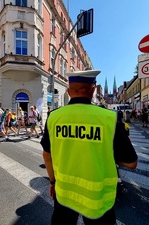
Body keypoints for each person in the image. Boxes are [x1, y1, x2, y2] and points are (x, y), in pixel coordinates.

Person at [41, 69, 138, 225]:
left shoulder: (54, 117)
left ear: (68, 91)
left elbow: (47, 155)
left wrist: (53, 182)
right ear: (93, 91)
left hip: (64, 193)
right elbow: (131, 163)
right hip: (98, 199)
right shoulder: (110, 118)